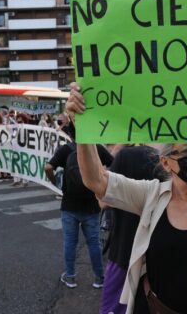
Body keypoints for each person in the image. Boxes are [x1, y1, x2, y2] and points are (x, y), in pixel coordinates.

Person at [66, 83, 187, 314]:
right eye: (185, 151)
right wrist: (84, 129)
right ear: (165, 161)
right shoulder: (150, 195)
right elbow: (97, 182)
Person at [44, 122, 113, 289]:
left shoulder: (65, 149)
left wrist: (58, 185)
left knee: (70, 242)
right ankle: (99, 278)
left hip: (69, 205)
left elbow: (47, 167)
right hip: (92, 205)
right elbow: (113, 164)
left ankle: (70, 277)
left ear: (70, 134)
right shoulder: (97, 148)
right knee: (94, 243)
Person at [100, 145, 161, 314]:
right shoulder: (163, 159)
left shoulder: (124, 155)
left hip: (123, 252)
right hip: (155, 255)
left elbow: (102, 202)